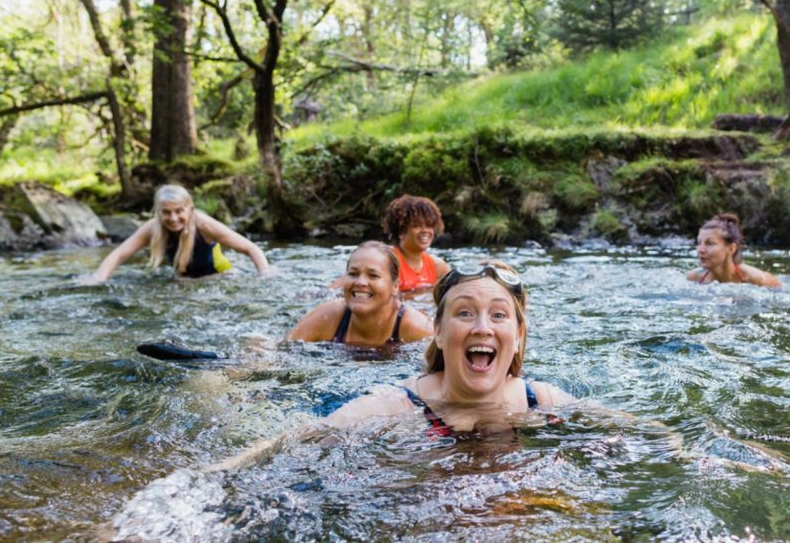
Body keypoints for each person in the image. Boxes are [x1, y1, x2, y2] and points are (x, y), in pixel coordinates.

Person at [210, 260, 572, 471]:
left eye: (498, 315)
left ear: (518, 334)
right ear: (440, 333)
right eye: (464, 313)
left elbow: (625, 432)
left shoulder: (540, 398)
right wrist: (206, 476)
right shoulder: (398, 405)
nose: (482, 327)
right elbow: (296, 438)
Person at [82, 184, 273, 284]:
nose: (173, 218)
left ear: (189, 208)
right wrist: (98, 278)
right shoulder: (152, 227)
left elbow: (250, 247)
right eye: (166, 212)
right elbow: (119, 254)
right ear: (158, 212)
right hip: (184, 283)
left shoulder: (204, 225)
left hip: (220, 279)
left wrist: (265, 272)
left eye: (179, 211)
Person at [287, 241, 433, 347]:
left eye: (373, 275)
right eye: (353, 274)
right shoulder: (327, 316)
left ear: (395, 286)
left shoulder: (418, 331)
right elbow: (282, 352)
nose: (360, 282)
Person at [686, 213, 782, 288]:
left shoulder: (756, 279)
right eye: (699, 243)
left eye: (710, 243)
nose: (700, 250)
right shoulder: (694, 278)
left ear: (731, 248)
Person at [380, 194, 451, 296]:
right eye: (416, 225)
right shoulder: (388, 263)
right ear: (401, 232)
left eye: (429, 225)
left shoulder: (438, 267)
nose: (425, 231)